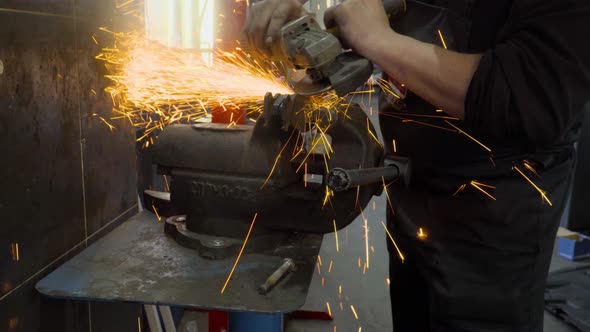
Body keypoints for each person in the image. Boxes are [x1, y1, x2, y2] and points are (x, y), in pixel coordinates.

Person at [242, 0, 590, 331]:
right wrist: (299, 19)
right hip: (412, 184)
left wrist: (378, 40)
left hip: (498, 209)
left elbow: (528, 95)